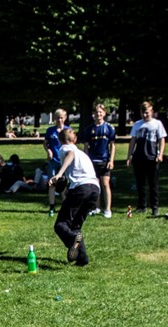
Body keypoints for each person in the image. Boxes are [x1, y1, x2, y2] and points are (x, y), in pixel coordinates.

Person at [48, 129, 99, 267]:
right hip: (94, 189)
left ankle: (72, 240)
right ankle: (82, 258)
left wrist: (59, 174)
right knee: (75, 226)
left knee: (61, 225)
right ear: (75, 140)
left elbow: (70, 154)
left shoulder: (65, 148)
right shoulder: (83, 154)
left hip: (80, 188)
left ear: (60, 141)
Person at [126, 101, 167, 216]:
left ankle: (155, 207)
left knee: (153, 184)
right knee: (140, 184)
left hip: (152, 157)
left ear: (152, 112)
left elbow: (161, 140)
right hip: (139, 157)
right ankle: (141, 206)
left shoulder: (157, 124)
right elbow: (133, 141)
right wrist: (129, 156)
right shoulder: (137, 124)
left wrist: (160, 154)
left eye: (147, 113)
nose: (145, 115)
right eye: (143, 113)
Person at [82, 103, 116, 218]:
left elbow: (112, 145)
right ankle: (96, 207)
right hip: (92, 161)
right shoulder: (88, 129)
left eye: (100, 112)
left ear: (104, 113)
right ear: (94, 114)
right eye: (96, 112)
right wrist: (86, 161)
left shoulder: (109, 128)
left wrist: (111, 160)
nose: (98, 114)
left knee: (105, 184)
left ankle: (107, 209)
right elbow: (86, 147)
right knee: (95, 185)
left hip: (104, 160)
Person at [43, 108, 70, 212]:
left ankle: (65, 206)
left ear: (65, 118)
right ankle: (52, 206)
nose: (59, 120)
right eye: (58, 118)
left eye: (61, 118)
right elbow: (45, 143)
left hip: (64, 161)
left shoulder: (68, 130)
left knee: (64, 184)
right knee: (52, 183)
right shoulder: (50, 130)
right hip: (53, 161)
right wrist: (48, 151)